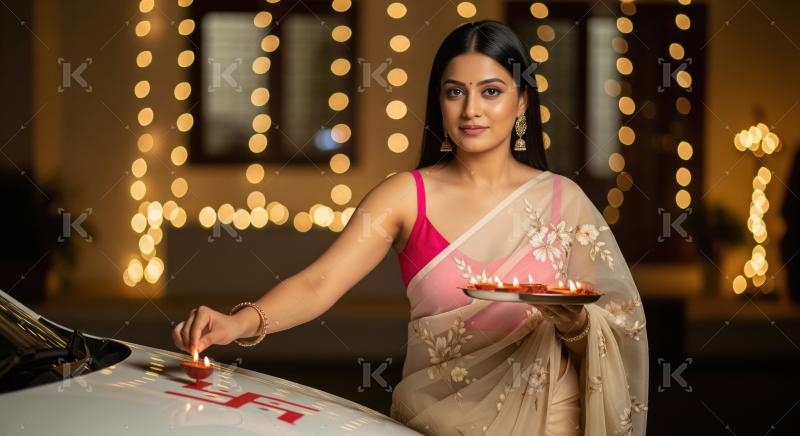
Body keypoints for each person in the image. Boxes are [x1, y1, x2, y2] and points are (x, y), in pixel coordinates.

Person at [172, 20, 648, 436]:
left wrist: (578, 325)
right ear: (439, 100)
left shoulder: (563, 201)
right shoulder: (405, 195)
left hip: (548, 420)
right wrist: (238, 323)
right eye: (455, 91)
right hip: (434, 422)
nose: (471, 110)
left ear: (522, 102)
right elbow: (319, 283)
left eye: (492, 91)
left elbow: (618, 322)